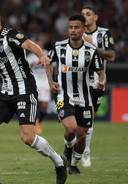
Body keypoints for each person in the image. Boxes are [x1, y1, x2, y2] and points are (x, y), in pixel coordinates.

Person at [0, 8, 67, 184]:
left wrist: (42, 55)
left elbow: (30, 45)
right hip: (6, 91)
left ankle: (59, 161)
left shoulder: (11, 35)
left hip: (25, 91)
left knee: (27, 138)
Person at [47, 14, 105, 174]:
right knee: (71, 128)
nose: (73, 30)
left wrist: (102, 81)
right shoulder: (59, 47)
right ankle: (67, 149)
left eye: (76, 27)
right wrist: (51, 82)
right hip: (63, 97)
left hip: (85, 99)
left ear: (84, 29)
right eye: (70, 27)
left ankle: (73, 163)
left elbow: (101, 72)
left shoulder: (91, 51)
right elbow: (48, 63)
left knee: (82, 135)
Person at [81, 4, 115, 167]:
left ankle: (85, 151)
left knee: (89, 117)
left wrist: (92, 45)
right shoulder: (76, 32)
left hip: (96, 81)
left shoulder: (104, 34)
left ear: (95, 17)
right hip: (77, 81)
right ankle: (73, 147)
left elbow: (111, 56)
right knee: (74, 120)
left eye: (88, 14)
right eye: (83, 14)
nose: (85, 17)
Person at [27, 34, 51, 134]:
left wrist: (51, 81)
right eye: (36, 43)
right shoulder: (30, 57)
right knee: (35, 104)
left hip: (45, 83)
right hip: (35, 83)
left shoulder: (47, 54)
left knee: (44, 106)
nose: (38, 45)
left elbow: (52, 68)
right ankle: (34, 123)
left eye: (39, 43)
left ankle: (39, 122)